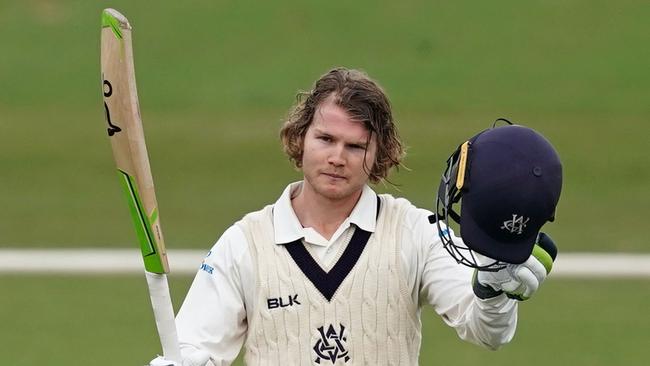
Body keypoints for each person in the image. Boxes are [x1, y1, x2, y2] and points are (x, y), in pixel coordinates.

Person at [150, 67, 561, 366]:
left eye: (354, 146)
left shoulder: (414, 232)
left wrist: (493, 292)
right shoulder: (246, 243)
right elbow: (195, 346)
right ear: (300, 137)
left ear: (379, 153)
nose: (336, 158)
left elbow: (486, 332)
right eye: (325, 139)